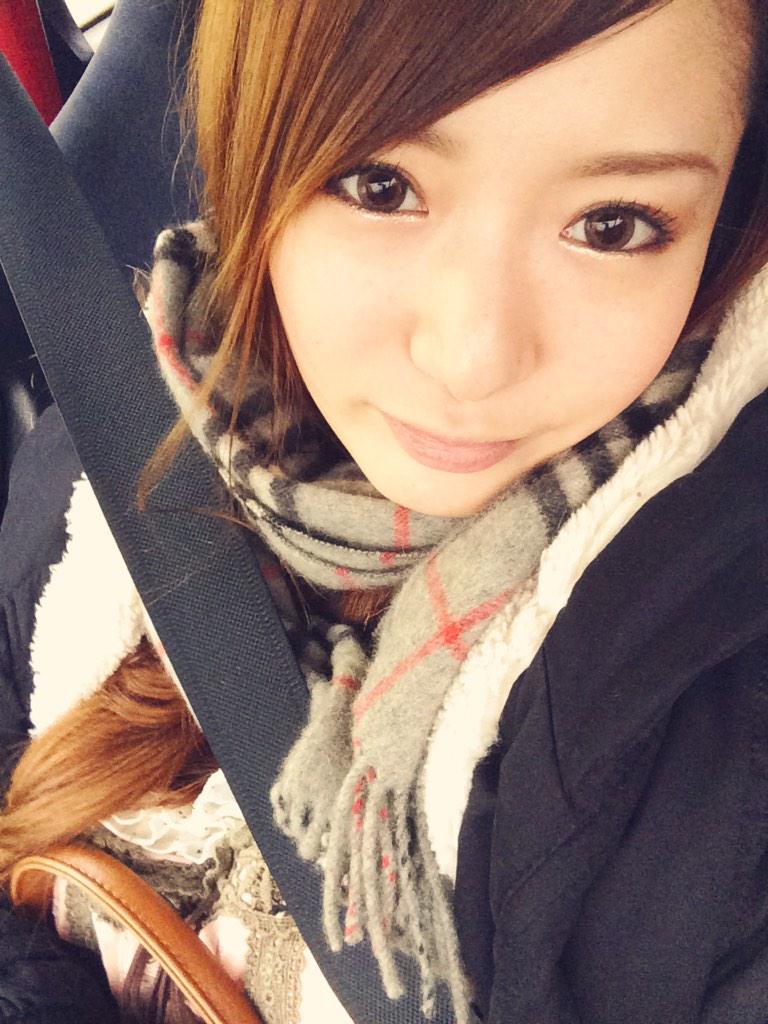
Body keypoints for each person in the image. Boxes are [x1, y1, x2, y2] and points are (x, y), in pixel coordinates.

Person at [0, 0, 767, 1021]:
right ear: (254, 150)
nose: (473, 357)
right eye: (382, 186)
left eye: (612, 225)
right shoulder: (101, 455)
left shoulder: (722, 745)